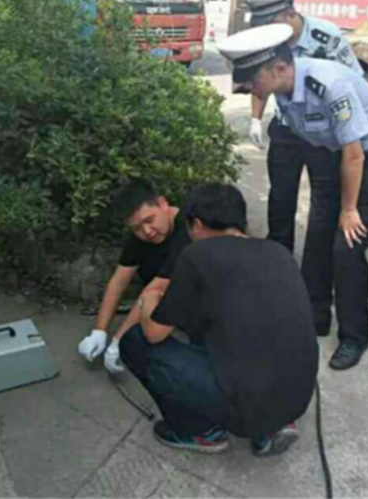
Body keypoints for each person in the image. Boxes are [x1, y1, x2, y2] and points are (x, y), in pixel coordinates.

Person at [217, 24, 368, 371]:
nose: (249, 88)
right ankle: (315, 316)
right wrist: (329, 201)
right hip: (341, 159)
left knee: (347, 246)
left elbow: (354, 154)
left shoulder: (328, 84)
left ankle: (354, 336)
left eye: (253, 79)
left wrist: (349, 209)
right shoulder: (284, 91)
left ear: (280, 68)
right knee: (318, 233)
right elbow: (320, 144)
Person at [119, 183, 318, 457]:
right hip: (297, 397)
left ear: (197, 225)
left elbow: (154, 333)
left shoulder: (197, 255)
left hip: (247, 404)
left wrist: (149, 299)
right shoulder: (279, 252)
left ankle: (200, 431)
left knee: (135, 342)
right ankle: (271, 427)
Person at [238, 0, 368, 329]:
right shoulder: (269, 42)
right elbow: (257, 82)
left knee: (323, 210)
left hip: (324, 134)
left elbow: (353, 83)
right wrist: (255, 118)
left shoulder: (327, 38)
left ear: (289, 14)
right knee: (280, 197)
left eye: (270, 23)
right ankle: (278, 270)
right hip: (288, 127)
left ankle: (315, 299)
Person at [77, 181, 191, 373]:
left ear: (163, 204)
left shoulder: (187, 231)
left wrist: (118, 341)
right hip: (161, 298)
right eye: (137, 228)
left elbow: (158, 286)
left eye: (150, 220)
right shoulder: (140, 237)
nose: (147, 231)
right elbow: (119, 280)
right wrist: (99, 330)